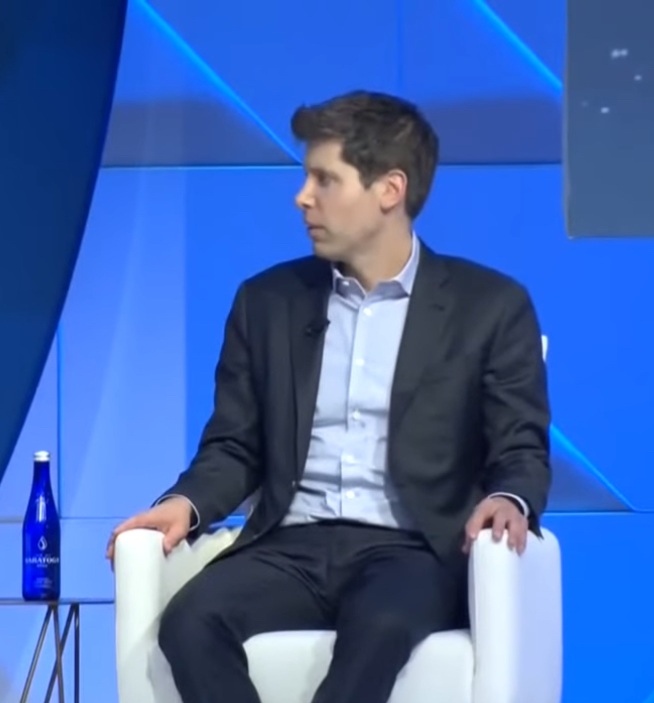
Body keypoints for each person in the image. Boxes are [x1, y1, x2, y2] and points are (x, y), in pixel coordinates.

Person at [106, 90, 552, 703]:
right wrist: (185, 503)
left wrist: (509, 498)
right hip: (290, 545)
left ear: (389, 190)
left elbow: (520, 446)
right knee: (189, 623)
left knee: (378, 628)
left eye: (325, 179)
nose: (302, 197)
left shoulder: (490, 307)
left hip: (412, 549)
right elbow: (234, 445)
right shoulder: (267, 302)